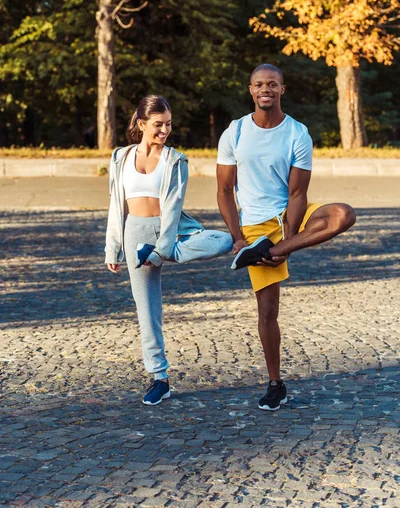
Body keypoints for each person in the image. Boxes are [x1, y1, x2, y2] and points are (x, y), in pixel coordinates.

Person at [216, 64, 356, 411]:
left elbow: (297, 194)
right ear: (251, 90)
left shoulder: (297, 132)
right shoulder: (234, 132)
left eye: (273, 84)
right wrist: (237, 238)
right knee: (268, 309)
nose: (266, 89)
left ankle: (268, 251)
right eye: (259, 84)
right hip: (254, 227)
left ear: (282, 89)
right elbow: (224, 189)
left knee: (343, 214)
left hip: (289, 218)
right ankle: (276, 383)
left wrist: (286, 245)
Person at [105, 95, 232, 406]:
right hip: (135, 233)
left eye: (168, 125)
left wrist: (162, 250)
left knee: (225, 240)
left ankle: (164, 252)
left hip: (169, 231)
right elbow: (115, 206)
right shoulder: (120, 157)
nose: (164, 131)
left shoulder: (175, 160)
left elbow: (173, 208)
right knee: (147, 311)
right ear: (141, 124)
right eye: (158, 125)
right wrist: (113, 249)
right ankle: (159, 378)